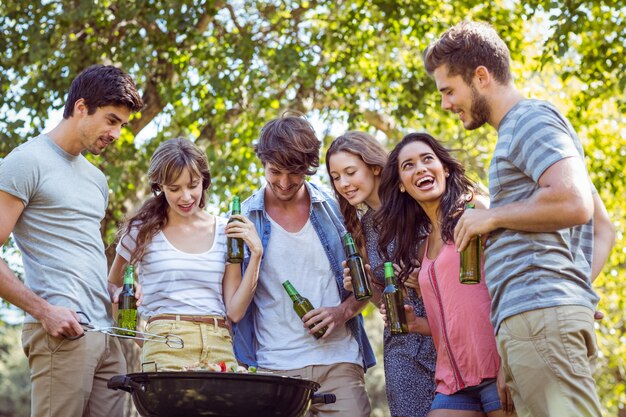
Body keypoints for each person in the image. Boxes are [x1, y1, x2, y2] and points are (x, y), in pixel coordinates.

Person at [423, 21, 616, 416]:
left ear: (481, 76)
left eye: (448, 90)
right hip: (531, 318)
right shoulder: (518, 132)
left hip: (540, 316)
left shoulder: (530, 120)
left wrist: (490, 219)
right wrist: (574, 291)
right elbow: (602, 227)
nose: (445, 103)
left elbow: (575, 204)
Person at [0, 65, 143, 417]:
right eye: (111, 120)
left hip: (106, 335)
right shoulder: (25, 162)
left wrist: (113, 292)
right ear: (81, 107)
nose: (117, 133)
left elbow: (82, 252)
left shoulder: (97, 180)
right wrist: (44, 311)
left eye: (122, 125)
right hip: (61, 335)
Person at [233, 114, 376, 417]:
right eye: (275, 172)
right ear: (263, 163)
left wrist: (342, 312)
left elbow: (370, 280)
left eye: (294, 173)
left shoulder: (338, 209)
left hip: (339, 362)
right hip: (274, 369)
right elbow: (232, 303)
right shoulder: (244, 219)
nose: (284, 183)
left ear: (308, 168)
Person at [377, 132, 514, 416]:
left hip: (496, 366)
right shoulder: (424, 245)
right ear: (402, 185)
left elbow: (516, 271)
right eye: (409, 165)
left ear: (446, 168)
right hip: (452, 380)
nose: (421, 168)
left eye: (428, 159)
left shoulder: (476, 210)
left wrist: (510, 362)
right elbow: (454, 314)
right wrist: (417, 324)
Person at [107, 137, 263, 371]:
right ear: (160, 186)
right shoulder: (141, 230)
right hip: (165, 346)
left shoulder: (225, 231)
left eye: (193, 185)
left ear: (204, 182)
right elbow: (112, 287)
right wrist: (138, 338)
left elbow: (235, 311)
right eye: (174, 188)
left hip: (218, 344)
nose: (186, 197)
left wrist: (257, 254)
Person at [326, 131, 436, 417]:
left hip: (444, 334)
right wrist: (367, 284)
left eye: (350, 172)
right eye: (336, 177)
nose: (344, 184)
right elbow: (382, 302)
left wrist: (426, 276)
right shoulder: (363, 228)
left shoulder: (417, 201)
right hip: (402, 347)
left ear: (375, 167)